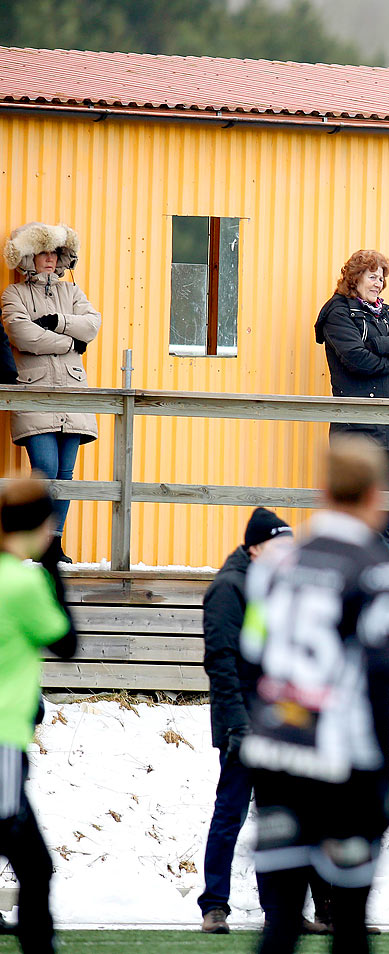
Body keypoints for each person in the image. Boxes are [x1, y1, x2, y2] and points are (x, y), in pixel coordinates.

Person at [239, 437, 389, 953]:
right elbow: (382, 669)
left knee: (282, 920)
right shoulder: (376, 569)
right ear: (375, 494)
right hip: (340, 757)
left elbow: (251, 653)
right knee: (350, 921)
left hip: (276, 748)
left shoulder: (275, 565)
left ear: (323, 490)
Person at [198, 507, 294, 934]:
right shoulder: (229, 588)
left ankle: (279, 910)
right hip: (242, 721)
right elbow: (221, 662)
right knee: (231, 813)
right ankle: (214, 905)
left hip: (275, 720)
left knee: (276, 817)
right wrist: (238, 724)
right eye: (280, 545)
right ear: (256, 548)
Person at [0, 479, 78, 954]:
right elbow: (66, 642)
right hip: (3, 740)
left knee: (32, 863)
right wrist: (53, 570)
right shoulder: (24, 581)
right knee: (34, 865)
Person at [2, 223, 102, 561]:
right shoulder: (13, 294)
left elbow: (91, 325)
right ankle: (31, 542)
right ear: (28, 256)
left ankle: (53, 545)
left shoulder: (72, 293)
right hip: (35, 391)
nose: (49, 258)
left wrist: (56, 322)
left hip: (73, 392)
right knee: (44, 468)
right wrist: (70, 343)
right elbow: (23, 335)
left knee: (66, 474)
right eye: (43, 252)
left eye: (54, 252)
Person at [315, 250, 389, 544]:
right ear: (355, 277)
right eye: (373, 276)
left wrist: (378, 343)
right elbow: (356, 360)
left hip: (387, 425)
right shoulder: (338, 312)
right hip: (356, 426)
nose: (379, 283)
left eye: (382, 278)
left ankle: (381, 571)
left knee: (383, 507)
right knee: (355, 510)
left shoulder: (379, 311)